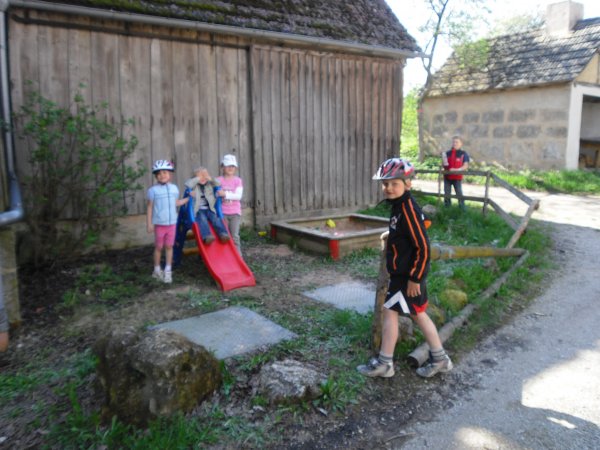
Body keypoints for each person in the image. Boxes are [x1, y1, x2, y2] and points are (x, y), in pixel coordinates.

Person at [357, 158, 453, 379]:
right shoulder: (400, 206)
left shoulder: (407, 208)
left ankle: (387, 363)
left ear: (407, 184)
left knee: (400, 313)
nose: (389, 188)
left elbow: (422, 246)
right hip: (403, 275)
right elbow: (409, 232)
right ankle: (437, 358)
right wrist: (392, 235)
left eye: (394, 183)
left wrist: (415, 278)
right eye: (385, 184)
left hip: (408, 277)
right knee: (412, 314)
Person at [146, 159, 189, 284]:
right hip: (160, 224)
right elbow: (149, 207)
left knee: (169, 246)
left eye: (164, 172)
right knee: (159, 247)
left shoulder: (174, 188)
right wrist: (149, 223)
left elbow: (176, 203)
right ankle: (157, 270)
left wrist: (188, 198)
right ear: (156, 176)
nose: (162, 175)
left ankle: (168, 270)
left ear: (170, 174)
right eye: (158, 173)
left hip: (172, 224)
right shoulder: (153, 191)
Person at [185, 167, 230, 245]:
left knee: (216, 219)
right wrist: (197, 179)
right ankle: (207, 236)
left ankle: (223, 234)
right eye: (200, 176)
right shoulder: (194, 185)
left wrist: (211, 179)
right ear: (195, 178)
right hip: (198, 210)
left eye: (205, 175)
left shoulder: (209, 184)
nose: (203, 178)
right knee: (202, 219)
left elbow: (218, 183)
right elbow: (188, 184)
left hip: (210, 209)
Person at [216, 154, 244, 255]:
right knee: (223, 235)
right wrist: (217, 193)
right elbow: (214, 194)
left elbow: (238, 196)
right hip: (222, 213)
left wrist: (225, 194)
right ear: (222, 167)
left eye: (233, 166)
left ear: (235, 168)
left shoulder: (238, 181)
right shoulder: (218, 180)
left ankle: (238, 257)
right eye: (228, 165)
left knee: (234, 236)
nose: (230, 168)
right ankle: (225, 256)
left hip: (235, 213)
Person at [442, 135, 470, 210]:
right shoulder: (447, 153)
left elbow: (466, 165)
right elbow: (444, 165)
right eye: (454, 142)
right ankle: (447, 209)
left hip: (457, 177)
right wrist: (443, 164)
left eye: (457, 142)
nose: (455, 144)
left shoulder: (463, 154)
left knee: (459, 194)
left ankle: (462, 209)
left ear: (461, 143)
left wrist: (457, 170)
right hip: (447, 177)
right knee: (447, 194)